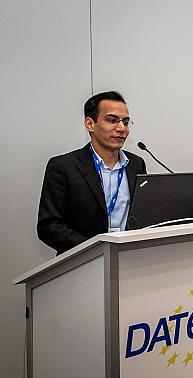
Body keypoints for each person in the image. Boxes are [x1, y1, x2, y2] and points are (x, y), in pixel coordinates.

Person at [37, 91, 147, 255]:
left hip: (130, 258)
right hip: (83, 261)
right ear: (90, 124)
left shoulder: (136, 164)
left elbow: (142, 215)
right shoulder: (63, 167)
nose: (121, 128)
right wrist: (96, 249)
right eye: (112, 120)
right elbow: (49, 227)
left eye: (125, 122)